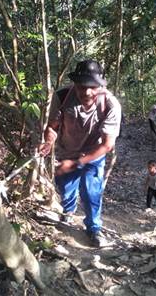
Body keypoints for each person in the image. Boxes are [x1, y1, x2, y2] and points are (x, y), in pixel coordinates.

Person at [39, 60, 122, 248]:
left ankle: (94, 228)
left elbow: (107, 144)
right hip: (66, 151)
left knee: (91, 192)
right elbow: (52, 127)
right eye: (81, 86)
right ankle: (67, 212)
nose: (87, 92)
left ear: (100, 85)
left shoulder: (110, 105)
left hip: (94, 153)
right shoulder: (62, 97)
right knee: (66, 189)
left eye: (92, 87)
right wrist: (48, 142)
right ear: (74, 84)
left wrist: (77, 162)